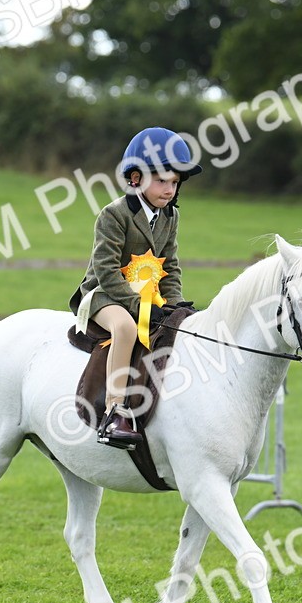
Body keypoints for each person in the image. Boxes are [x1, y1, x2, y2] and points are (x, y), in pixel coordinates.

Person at [70, 126, 202, 450]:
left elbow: (169, 266)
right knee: (127, 329)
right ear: (135, 179)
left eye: (174, 182)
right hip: (103, 294)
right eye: (161, 181)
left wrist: (174, 304)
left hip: (148, 296)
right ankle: (115, 412)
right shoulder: (114, 214)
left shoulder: (170, 216)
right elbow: (105, 269)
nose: (169, 189)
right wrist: (136, 305)